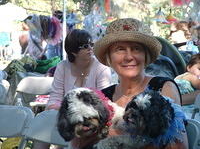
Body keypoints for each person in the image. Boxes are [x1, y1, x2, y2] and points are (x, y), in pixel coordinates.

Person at [93, 18, 188, 149]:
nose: (128, 57)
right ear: (109, 57)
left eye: (136, 49)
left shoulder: (163, 88)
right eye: (120, 49)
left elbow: (178, 146)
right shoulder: (103, 98)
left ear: (146, 55)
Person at [33, 29, 112, 149]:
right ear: (73, 51)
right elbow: (55, 97)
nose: (90, 48)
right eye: (85, 46)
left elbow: (104, 101)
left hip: (93, 118)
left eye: (91, 44)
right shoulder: (62, 66)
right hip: (63, 114)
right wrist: (61, 111)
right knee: (45, 122)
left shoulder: (101, 68)